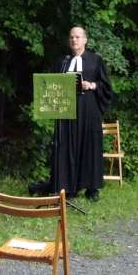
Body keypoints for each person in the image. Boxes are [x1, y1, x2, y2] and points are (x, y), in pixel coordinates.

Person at [35, 26, 113, 201]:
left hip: (88, 111)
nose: (74, 40)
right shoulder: (62, 62)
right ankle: (68, 187)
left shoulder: (96, 60)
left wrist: (92, 85)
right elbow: (51, 85)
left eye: (78, 37)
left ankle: (92, 189)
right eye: (71, 37)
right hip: (66, 111)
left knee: (89, 147)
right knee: (66, 147)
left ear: (85, 40)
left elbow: (106, 87)